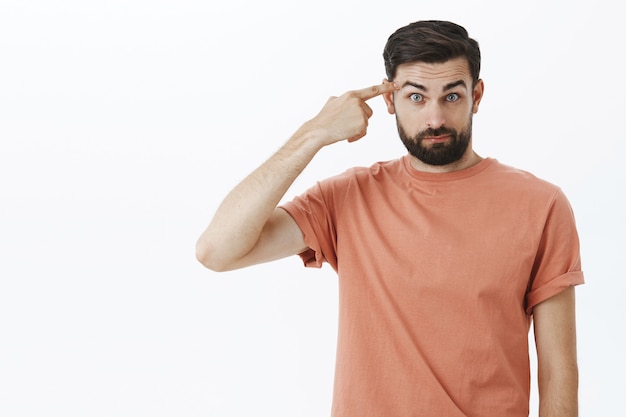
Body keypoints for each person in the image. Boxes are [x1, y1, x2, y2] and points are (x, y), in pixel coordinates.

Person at [196, 20, 584, 417]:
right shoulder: (348, 198)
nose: (435, 119)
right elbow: (216, 250)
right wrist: (313, 133)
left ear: (477, 95)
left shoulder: (541, 205)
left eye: (451, 97)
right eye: (417, 97)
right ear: (389, 100)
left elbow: (557, 370)